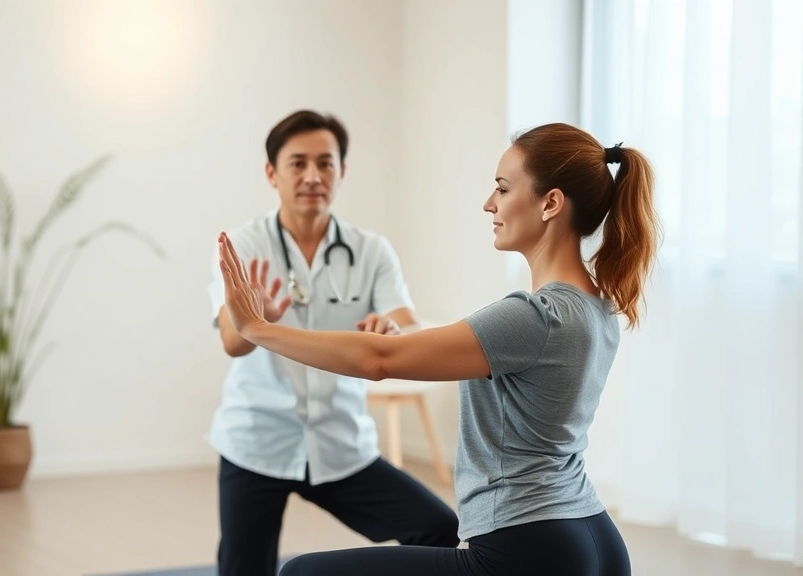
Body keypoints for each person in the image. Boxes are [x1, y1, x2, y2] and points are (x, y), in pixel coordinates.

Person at [216, 121, 661, 576]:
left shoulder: (531, 316)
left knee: (300, 573)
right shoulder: (598, 306)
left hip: (527, 543)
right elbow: (432, 342)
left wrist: (258, 327)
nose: (490, 203)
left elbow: (378, 360)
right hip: (594, 535)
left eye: (503, 189)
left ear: (550, 203)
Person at [206, 109, 460, 576]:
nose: (312, 176)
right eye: (297, 163)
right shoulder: (243, 245)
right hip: (257, 440)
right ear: (272, 173)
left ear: (342, 172)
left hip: (340, 441)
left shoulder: (370, 250)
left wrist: (394, 333)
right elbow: (230, 341)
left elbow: (407, 323)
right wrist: (254, 319)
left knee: (439, 528)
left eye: (325, 163)